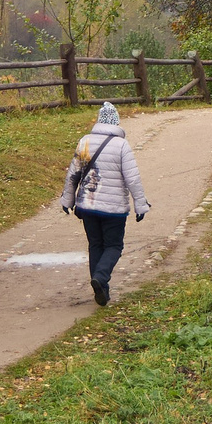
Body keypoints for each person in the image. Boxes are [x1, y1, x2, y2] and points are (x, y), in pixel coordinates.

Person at [59, 101, 149, 307]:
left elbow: (73, 174)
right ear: (116, 122)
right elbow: (132, 178)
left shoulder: (85, 142)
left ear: (99, 121)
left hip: (87, 206)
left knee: (95, 245)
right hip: (113, 209)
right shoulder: (122, 145)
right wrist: (141, 205)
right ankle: (100, 278)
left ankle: (102, 289)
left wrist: (67, 200)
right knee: (114, 246)